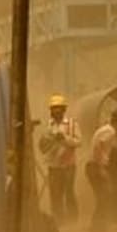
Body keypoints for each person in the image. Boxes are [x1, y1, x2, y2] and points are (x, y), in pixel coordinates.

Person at [86, 108, 117, 232]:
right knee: (104, 198)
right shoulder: (110, 131)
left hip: (93, 166)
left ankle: (99, 228)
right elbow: (98, 147)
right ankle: (96, 229)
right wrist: (101, 168)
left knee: (103, 198)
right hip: (95, 167)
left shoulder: (106, 129)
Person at [39, 94, 81, 223]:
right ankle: (59, 219)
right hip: (53, 165)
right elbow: (43, 144)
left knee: (68, 192)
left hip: (68, 165)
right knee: (55, 193)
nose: (55, 111)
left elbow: (79, 142)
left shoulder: (72, 124)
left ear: (64, 109)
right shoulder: (48, 126)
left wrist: (65, 139)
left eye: (58, 108)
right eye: (53, 108)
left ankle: (73, 219)